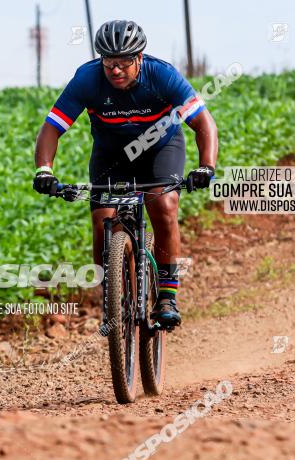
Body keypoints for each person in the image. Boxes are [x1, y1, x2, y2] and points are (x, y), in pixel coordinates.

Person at [32, 19, 219, 327]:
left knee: (164, 205)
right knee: (102, 219)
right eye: (108, 63)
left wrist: (206, 166)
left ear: (139, 58)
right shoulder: (87, 80)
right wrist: (44, 170)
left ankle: (167, 296)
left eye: (123, 63)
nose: (115, 71)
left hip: (161, 148)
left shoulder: (162, 76)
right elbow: (52, 128)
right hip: (112, 155)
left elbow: (204, 124)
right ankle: (114, 296)